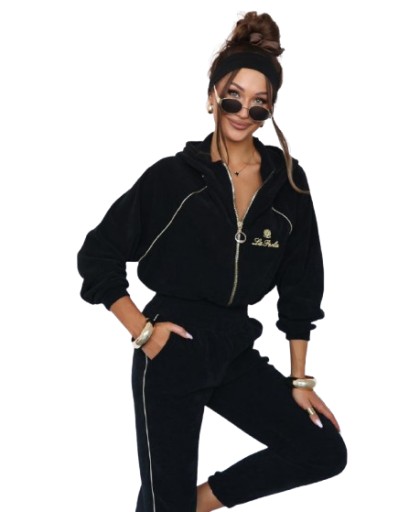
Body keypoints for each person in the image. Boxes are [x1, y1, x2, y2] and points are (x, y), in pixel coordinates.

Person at [77, 11, 347, 512]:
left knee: (322, 451)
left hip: (234, 346)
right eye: (233, 96)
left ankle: (190, 505)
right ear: (211, 98)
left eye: (259, 103)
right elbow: (98, 255)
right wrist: (144, 333)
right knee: (164, 500)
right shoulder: (172, 179)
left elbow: (302, 283)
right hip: (172, 348)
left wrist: (300, 380)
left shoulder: (288, 183)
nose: (244, 111)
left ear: (270, 110)